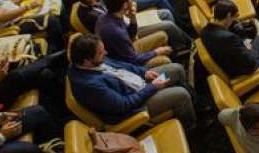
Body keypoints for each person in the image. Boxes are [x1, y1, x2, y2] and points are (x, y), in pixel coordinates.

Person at [67, 33, 196, 129]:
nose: (105, 53)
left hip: (140, 84)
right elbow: (123, 105)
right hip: (136, 106)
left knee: (177, 69)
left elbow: (123, 65)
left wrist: (143, 72)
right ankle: (190, 127)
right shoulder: (89, 86)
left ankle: (195, 102)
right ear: (86, 61)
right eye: (101, 53)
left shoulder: (92, 60)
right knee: (181, 95)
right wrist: (152, 88)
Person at [95, 0, 188, 74]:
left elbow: (130, 36)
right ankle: (175, 68)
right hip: (127, 64)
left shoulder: (109, 15)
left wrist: (133, 18)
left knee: (163, 35)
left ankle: (180, 52)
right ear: (125, 5)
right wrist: (157, 51)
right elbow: (134, 60)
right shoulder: (115, 31)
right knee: (164, 60)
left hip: (127, 50)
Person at [200, 0, 259, 78]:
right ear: (228, 15)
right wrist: (249, 49)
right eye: (234, 17)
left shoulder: (204, 31)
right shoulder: (228, 38)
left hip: (238, 57)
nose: (234, 21)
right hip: (252, 67)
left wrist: (245, 47)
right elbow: (252, 61)